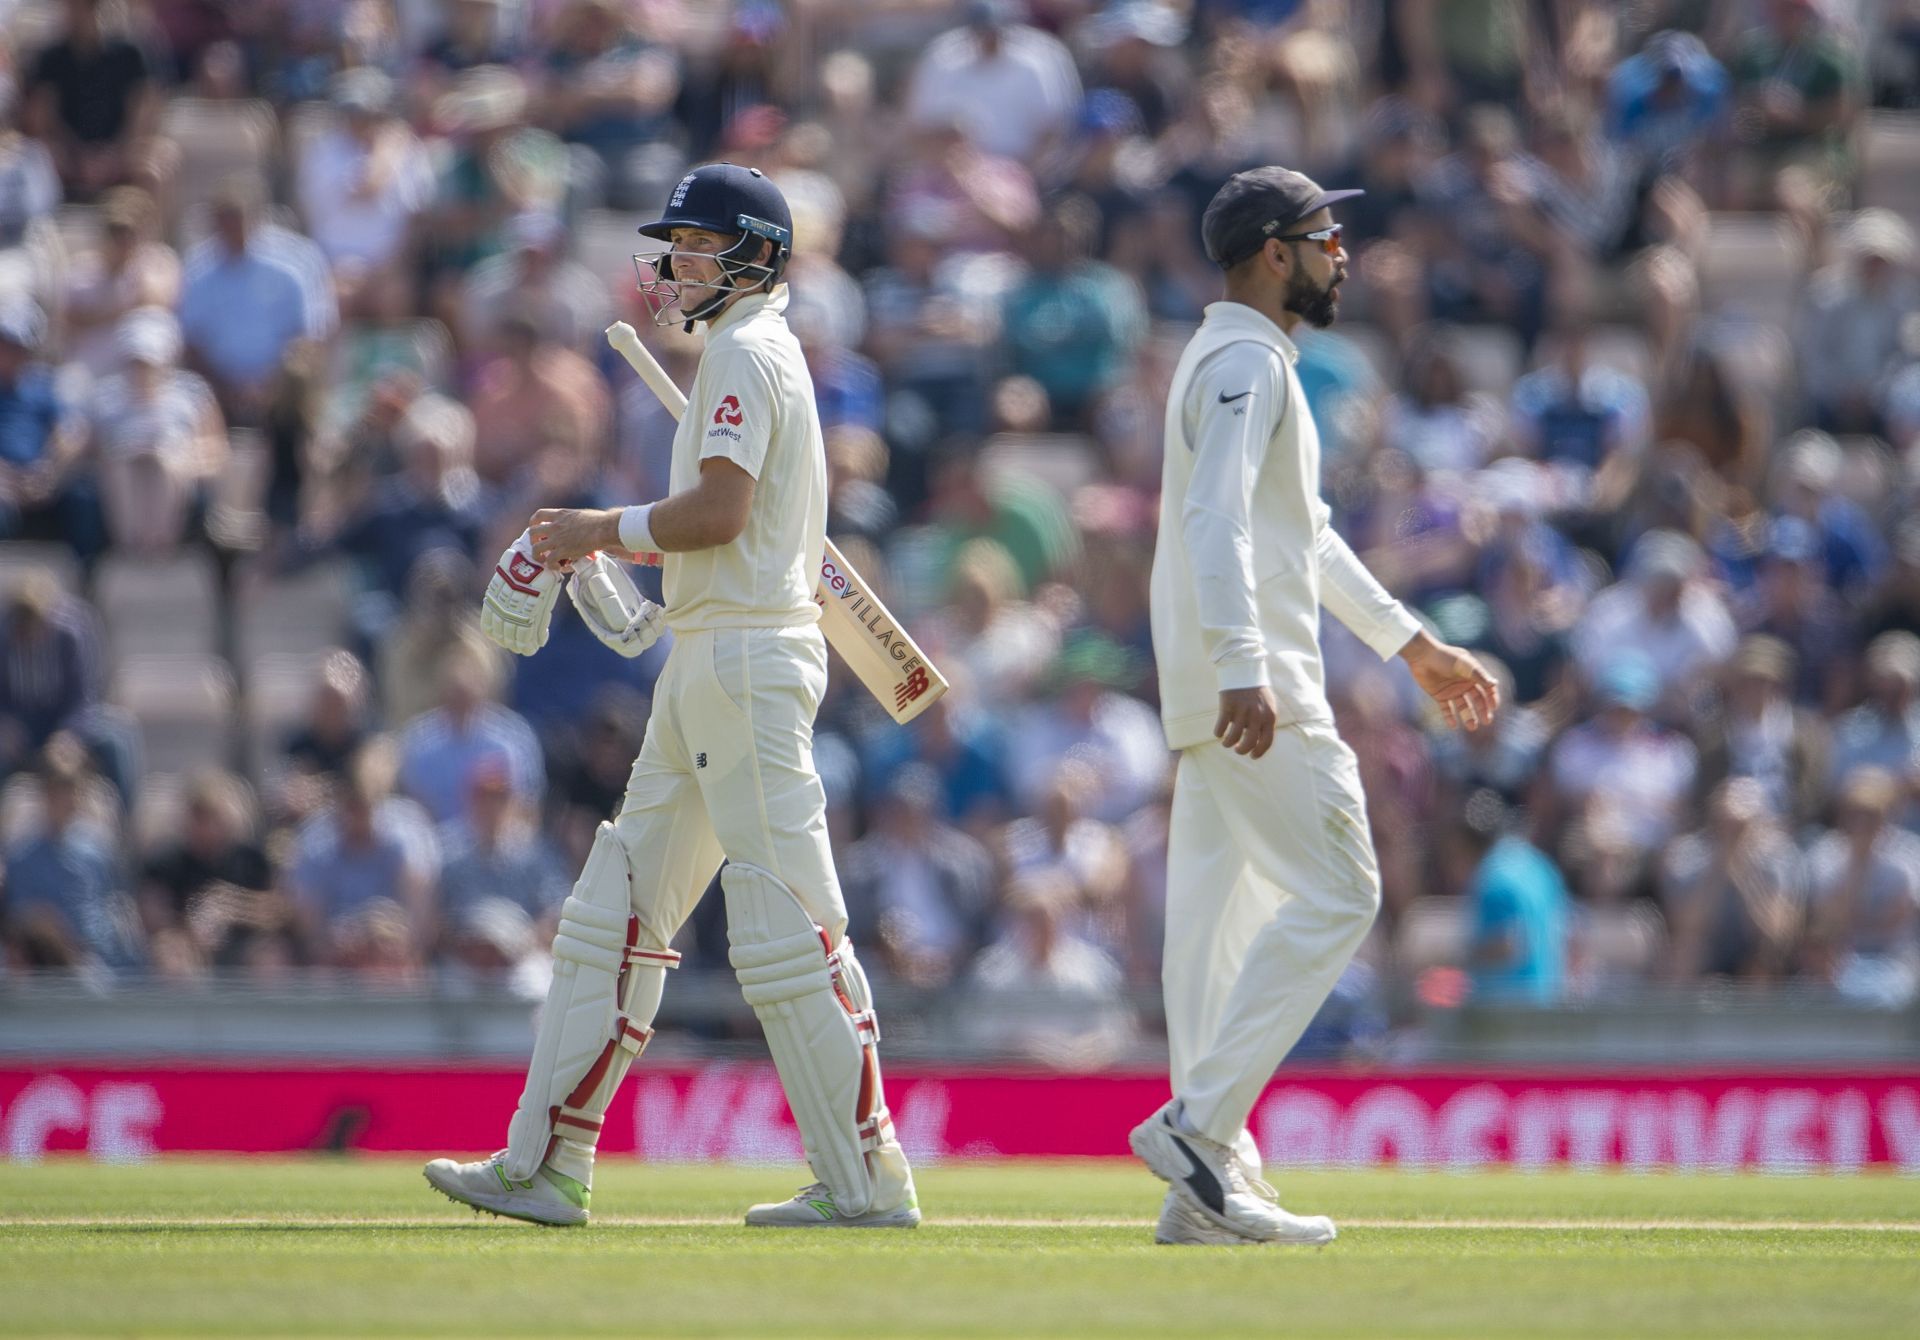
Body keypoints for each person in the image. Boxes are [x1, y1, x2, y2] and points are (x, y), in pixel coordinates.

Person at [425, 163, 917, 1230]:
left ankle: (867, 1179)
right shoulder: (745, 350)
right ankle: (547, 1163)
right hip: (711, 655)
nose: (678, 262)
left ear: (756, 254)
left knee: (790, 929)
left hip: (747, 663)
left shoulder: (747, 349)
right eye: (676, 245)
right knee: (613, 915)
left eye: (698, 244)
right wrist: (649, 592)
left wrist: (597, 529)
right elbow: (719, 528)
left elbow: (722, 514)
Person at [1128, 167, 1499, 1247]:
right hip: (1258, 687)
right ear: (1272, 252)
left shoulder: (1238, 357)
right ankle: (1198, 1132)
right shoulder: (1245, 357)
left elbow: (1301, 534)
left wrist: (1412, 643)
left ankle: (1208, 1183)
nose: (1345, 255)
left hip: (1219, 684)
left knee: (1212, 941)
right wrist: (1247, 663)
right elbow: (1215, 519)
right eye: (1325, 237)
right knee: (1343, 889)